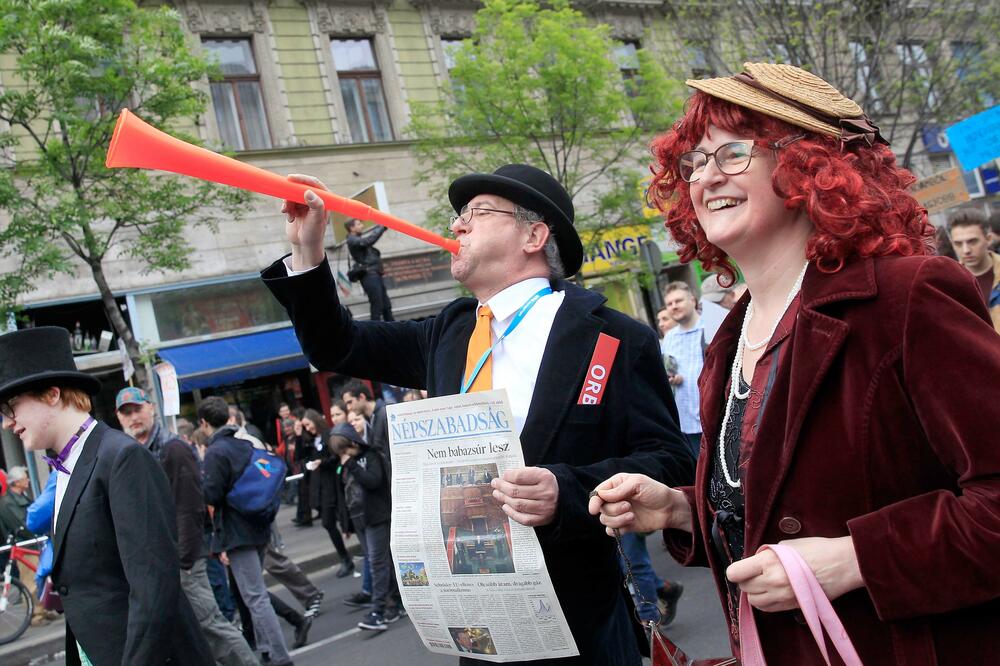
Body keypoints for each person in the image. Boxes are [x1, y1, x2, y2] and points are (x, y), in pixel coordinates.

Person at [589, 62, 1000, 664]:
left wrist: (856, 560)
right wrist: (681, 508)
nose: (705, 178)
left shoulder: (906, 296)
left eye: (730, 154)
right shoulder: (732, 336)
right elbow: (780, 512)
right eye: (694, 163)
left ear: (810, 165)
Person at [263, 164, 692, 665]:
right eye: (457, 217)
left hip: (582, 622)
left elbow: (670, 461)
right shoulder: (450, 331)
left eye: (477, 214)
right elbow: (335, 345)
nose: (457, 226)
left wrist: (567, 489)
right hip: (480, 629)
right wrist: (307, 250)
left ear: (534, 234)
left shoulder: (614, 338)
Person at [0, 327, 213, 665]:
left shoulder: (121, 457)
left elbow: (152, 587)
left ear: (53, 395)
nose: (6, 423)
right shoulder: (67, 468)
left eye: (11, 408)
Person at [160, 407, 258, 666]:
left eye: (137, 409)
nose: (132, 418)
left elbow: (194, 503)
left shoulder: (174, 449)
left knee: (215, 622)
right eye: (126, 413)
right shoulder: (151, 450)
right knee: (204, 627)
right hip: (186, 551)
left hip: (193, 553)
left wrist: (185, 558)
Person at [200, 396, 293, 666]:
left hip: (237, 532)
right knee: (256, 592)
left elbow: (212, 494)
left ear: (205, 423)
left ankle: (279, 656)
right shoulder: (243, 444)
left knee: (255, 596)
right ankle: (266, 649)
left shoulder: (216, 452)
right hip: (258, 524)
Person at [329, 423, 403, 631]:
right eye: (340, 453)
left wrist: (351, 464)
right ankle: (393, 602)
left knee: (378, 563)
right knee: (381, 562)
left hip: (377, 516)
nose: (344, 455)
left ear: (353, 442)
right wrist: (346, 523)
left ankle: (378, 610)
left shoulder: (371, 456)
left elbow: (373, 481)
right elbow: (344, 494)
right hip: (360, 519)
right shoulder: (346, 462)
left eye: (346, 450)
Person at [0, 465, 57, 626]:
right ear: (17, 482)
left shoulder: (18, 498)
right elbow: (23, 525)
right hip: (25, 546)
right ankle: (36, 615)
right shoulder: (8, 502)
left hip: (31, 544)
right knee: (31, 581)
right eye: (25, 478)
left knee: (39, 578)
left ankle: (43, 609)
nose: (28, 480)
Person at [302, 408, 354, 578]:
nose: (307, 429)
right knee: (329, 522)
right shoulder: (310, 440)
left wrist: (321, 462)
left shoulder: (327, 435)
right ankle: (345, 558)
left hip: (331, 485)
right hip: (320, 487)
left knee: (333, 521)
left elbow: (335, 457)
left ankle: (346, 558)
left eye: (308, 425)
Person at [660, 281, 706, 458]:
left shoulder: (712, 327)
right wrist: (671, 378)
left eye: (678, 301)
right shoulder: (669, 338)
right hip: (686, 426)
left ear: (693, 300)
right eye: (670, 304)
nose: (674, 306)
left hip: (715, 417)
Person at [948, 210, 999, 332]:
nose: (966, 250)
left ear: (989, 239)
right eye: (958, 244)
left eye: (972, 241)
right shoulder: (948, 283)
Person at [346, 218, 394, 321]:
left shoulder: (357, 239)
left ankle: (394, 332)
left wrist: (381, 227)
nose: (362, 226)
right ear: (352, 228)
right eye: (358, 224)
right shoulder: (352, 239)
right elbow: (369, 240)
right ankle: (375, 333)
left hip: (375, 275)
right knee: (378, 305)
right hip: (369, 276)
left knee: (386, 306)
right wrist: (381, 226)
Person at [114, 386, 171, 459]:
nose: (134, 418)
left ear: (151, 408)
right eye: (127, 413)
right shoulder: (121, 453)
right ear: (119, 417)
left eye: (138, 410)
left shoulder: (171, 447)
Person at [341, 380, 388, 457]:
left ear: (362, 397)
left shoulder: (385, 413)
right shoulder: (368, 419)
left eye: (350, 402)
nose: (348, 408)